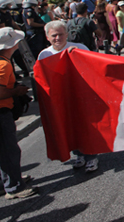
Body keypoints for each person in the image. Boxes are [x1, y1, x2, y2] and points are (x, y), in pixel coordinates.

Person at [0, 27, 38, 199]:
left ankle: (3, 183)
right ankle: (14, 187)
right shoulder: (2, 65)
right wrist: (17, 91)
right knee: (9, 150)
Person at [38, 21, 99, 172]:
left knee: (85, 127)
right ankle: (79, 154)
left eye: (61, 34)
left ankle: (91, 156)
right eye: (54, 35)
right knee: (69, 127)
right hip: (61, 100)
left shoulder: (79, 48)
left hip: (80, 97)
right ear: (47, 37)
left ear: (67, 34)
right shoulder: (44, 54)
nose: (58, 38)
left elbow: (93, 68)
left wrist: (78, 56)